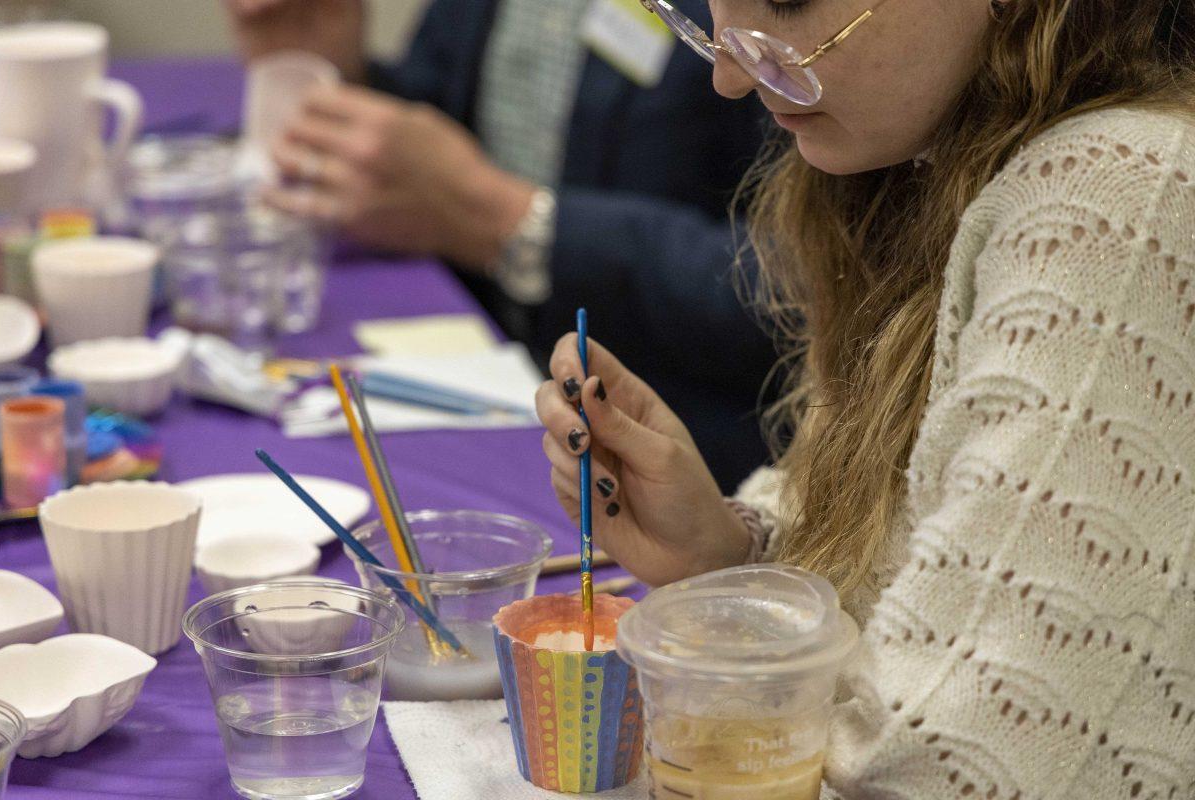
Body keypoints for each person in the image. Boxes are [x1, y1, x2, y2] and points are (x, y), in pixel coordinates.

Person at [536, 0, 1195, 797]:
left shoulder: (1118, 198)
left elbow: (940, 763)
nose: (731, 75)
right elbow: (904, 578)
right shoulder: (919, 155)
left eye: (785, 3)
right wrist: (730, 556)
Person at [223, 0, 778, 491]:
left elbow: (811, 286)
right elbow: (443, 120)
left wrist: (508, 222)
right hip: (484, 382)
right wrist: (334, 78)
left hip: (693, 455)